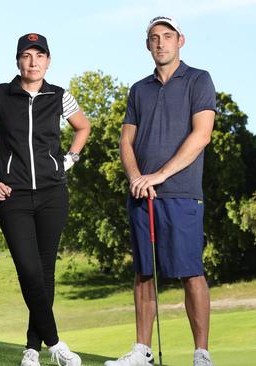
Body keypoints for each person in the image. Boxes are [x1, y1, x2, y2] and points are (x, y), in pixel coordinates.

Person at [105, 16, 216, 366]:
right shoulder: (139, 89)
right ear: (147, 44)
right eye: (154, 38)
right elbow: (126, 138)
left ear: (181, 40)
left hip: (181, 192)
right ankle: (142, 351)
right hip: (142, 194)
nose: (161, 43)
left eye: (167, 36)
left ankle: (201, 354)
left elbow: (202, 135)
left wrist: (159, 175)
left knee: (190, 271)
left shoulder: (199, 79)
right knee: (144, 272)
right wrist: (137, 176)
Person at [0, 33, 90, 366]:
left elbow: (82, 127)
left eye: (39, 56)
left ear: (48, 61)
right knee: (28, 270)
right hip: (14, 194)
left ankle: (31, 348)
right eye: (26, 56)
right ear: (18, 61)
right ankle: (55, 344)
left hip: (53, 193)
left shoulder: (59, 96)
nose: (33, 62)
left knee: (45, 271)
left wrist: (68, 159)